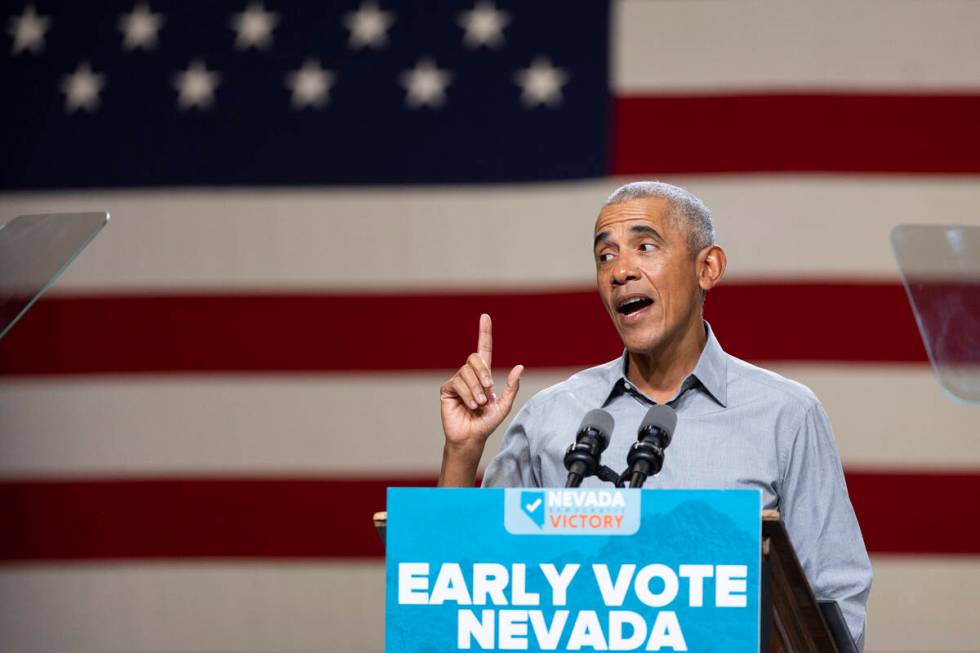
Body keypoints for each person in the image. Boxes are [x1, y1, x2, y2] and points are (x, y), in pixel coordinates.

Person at [436, 181, 872, 649]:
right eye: (605, 256)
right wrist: (463, 451)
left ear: (708, 267)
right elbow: (464, 586)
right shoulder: (551, 418)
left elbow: (833, 601)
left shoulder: (785, 415)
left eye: (645, 247)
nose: (620, 271)